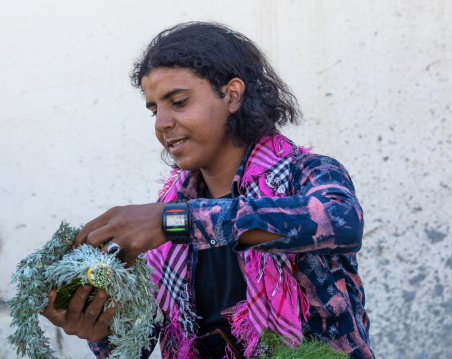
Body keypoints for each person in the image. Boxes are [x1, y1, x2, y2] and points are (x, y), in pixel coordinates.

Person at [42, 22, 375, 359]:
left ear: (232, 94)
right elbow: (137, 346)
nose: (161, 123)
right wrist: (100, 331)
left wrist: (176, 223)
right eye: (155, 109)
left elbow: (342, 222)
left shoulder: (304, 174)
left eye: (179, 102)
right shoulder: (170, 213)